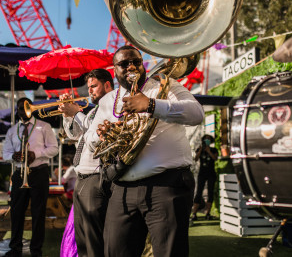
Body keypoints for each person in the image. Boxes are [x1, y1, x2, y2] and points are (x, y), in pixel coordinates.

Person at [85, 45, 205, 257]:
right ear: (115, 70)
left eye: (136, 62)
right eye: (124, 64)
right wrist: (102, 135)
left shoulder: (163, 86)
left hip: (166, 185)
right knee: (115, 251)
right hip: (122, 188)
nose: (131, 66)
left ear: (142, 65)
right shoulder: (106, 101)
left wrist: (151, 105)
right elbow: (90, 139)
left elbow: (196, 113)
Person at [58, 68, 114, 257]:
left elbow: (100, 133)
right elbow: (75, 135)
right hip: (82, 177)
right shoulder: (92, 112)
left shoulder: (113, 106)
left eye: (94, 86)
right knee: (81, 237)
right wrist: (68, 115)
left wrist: (76, 113)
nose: (89, 91)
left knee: (93, 237)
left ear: (107, 85)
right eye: (88, 87)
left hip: (96, 176)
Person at [2, 97, 59, 257]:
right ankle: (15, 248)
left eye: (26, 107)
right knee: (16, 211)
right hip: (20, 174)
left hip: (39, 172)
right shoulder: (12, 130)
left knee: (38, 212)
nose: (23, 110)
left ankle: (36, 250)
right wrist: (14, 156)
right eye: (20, 108)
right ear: (17, 111)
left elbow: (54, 149)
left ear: (32, 108)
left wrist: (37, 154)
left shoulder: (44, 126)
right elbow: (5, 153)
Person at [191, 134, 218, 221]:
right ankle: (194, 214)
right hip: (202, 173)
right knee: (199, 192)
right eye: (205, 139)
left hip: (211, 174)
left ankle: (208, 213)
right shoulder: (200, 149)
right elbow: (196, 159)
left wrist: (209, 151)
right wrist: (200, 150)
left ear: (211, 141)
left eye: (209, 139)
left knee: (210, 192)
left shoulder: (214, 149)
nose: (207, 140)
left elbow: (215, 158)